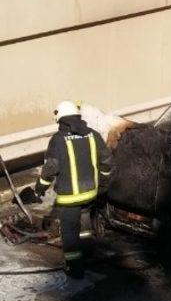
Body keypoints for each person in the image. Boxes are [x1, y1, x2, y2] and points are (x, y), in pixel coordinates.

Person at [26, 101, 112, 278]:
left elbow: (51, 168)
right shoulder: (93, 135)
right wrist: (102, 184)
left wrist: (40, 188)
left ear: (61, 119)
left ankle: (75, 269)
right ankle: (88, 255)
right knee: (85, 227)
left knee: (70, 233)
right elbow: (106, 162)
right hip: (90, 194)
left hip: (69, 198)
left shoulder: (57, 140)